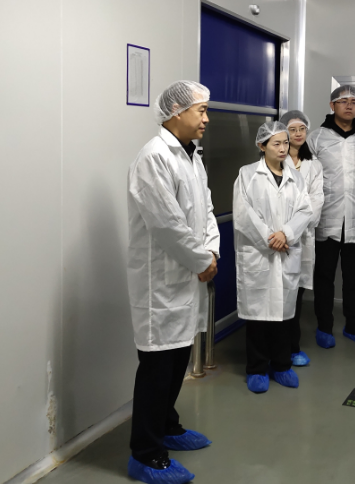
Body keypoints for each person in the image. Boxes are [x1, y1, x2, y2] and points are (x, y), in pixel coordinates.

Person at [126, 80, 220, 484]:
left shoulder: (191, 156)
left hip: (188, 275)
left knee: (179, 357)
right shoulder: (154, 158)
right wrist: (202, 260)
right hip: (162, 282)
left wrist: (211, 251)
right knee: (157, 366)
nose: (206, 119)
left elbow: (207, 210)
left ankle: (167, 426)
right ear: (176, 113)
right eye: (201, 110)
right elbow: (167, 224)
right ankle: (145, 454)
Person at [233, 121, 313, 393]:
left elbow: (305, 211)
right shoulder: (247, 175)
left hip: (286, 252)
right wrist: (271, 238)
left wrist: (286, 234)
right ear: (261, 145)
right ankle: (256, 368)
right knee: (258, 315)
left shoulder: (296, 178)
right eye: (276, 143)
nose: (283, 148)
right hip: (260, 253)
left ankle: (281, 365)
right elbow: (243, 215)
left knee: (284, 315)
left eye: (285, 143)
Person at [308, 85, 355, 348]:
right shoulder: (316, 138)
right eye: (343, 101)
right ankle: (324, 327)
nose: (349, 105)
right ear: (332, 106)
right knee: (324, 276)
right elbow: (307, 178)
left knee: (354, 277)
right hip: (325, 216)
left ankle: (354, 325)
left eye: (354, 101)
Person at [280, 110, 325, 367]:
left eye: (302, 129)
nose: (298, 134)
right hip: (279, 237)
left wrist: (296, 227)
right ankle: (276, 349)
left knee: (295, 296)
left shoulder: (314, 165)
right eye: (292, 129)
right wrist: (286, 230)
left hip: (303, 236)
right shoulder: (275, 159)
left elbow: (316, 200)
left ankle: (293, 347)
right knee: (278, 294)